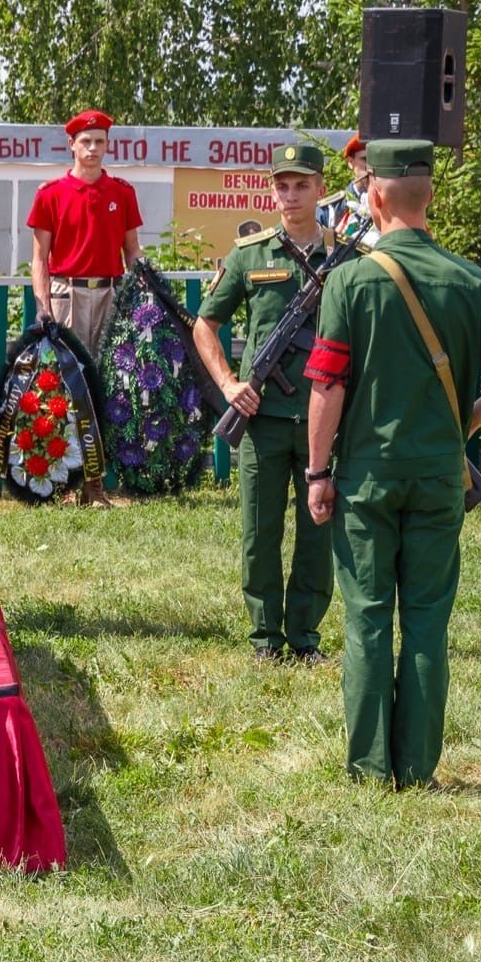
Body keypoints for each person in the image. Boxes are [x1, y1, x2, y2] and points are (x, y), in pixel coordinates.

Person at [302, 139, 481, 788]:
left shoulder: (351, 281)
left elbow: (327, 385)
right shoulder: (469, 280)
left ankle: (371, 768)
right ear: (430, 196)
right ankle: (418, 767)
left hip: (368, 476)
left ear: (375, 197)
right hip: (438, 475)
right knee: (427, 619)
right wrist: (466, 423)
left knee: (369, 615)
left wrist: (318, 472)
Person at [195, 143, 336, 664]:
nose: (291, 195)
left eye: (302, 184)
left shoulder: (344, 258)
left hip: (325, 421)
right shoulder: (250, 255)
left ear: (322, 188)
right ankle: (264, 640)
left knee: (317, 533)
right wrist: (230, 384)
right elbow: (205, 324)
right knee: (260, 532)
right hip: (262, 421)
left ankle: (304, 637)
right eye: (283, 185)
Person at [27, 109, 143, 351]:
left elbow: (132, 251)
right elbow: (39, 259)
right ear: (72, 144)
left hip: (111, 294)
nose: (92, 148)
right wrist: (43, 308)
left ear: (107, 145)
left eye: (99, 141)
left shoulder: (123, 193)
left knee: (112, 375)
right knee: (68, 374)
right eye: (85, 141)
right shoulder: (50, 195)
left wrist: (141, 295)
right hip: (67, 295)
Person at [317, 134, 375, 244]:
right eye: (365, 159)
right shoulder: (331, 209)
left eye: (377, 160)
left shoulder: (394, 204)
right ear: (350, 162)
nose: (371, 167)